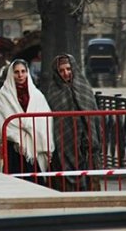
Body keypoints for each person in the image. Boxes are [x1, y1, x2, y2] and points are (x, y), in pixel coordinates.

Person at [46, 54, 102, 191]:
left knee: (91, 189)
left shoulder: (84, 88)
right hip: (64, 148)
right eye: (61, 70)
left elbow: (94, 117)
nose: (66, 73)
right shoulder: (53, 93)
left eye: (68, 69)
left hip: (87, 148)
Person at [0, 59, 54, 179]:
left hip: (34, 149)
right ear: (11, 74)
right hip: (12, 150)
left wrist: (44, 142)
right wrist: (16, 136)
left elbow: (45, 121)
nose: (20, 75)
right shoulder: (2, 97)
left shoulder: (37, 95)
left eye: (23, 71)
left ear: (27, 73)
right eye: (16, 72)